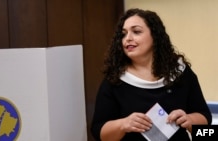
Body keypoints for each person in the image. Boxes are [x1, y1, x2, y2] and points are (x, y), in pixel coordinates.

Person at [91, 8, 212, 141]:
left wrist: (190, 120)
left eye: (136, 32)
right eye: (123, 34)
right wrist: (123, 124)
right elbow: (99, 133)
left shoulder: (181, 72)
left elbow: (207, 127)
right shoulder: (114, 79)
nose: (128, 38)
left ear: (155, 36)